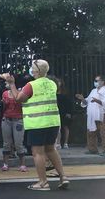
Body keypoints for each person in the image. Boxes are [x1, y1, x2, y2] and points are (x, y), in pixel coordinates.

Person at [5, 60, 69, 190]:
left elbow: (18, 98)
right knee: (51, 149)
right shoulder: (52, 84)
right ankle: (63, 177)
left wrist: (12, 84)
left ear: (37, 71)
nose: (31, 70)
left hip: (38, 122)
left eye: (32, 68)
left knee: (37, 153)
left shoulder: (31, 85)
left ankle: (43, 182)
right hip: (53, 122)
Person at [0, 75, 28, 172]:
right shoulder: (4, 94)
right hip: (7, 119)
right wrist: (3, 104)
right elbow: (3, 108)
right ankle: (5, 163)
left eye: (8, 82)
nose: (6, 84)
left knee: (18, 143)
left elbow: (23, 104)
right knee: (6, 143)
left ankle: (23, 164)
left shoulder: (20, 93)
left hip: (18, 119)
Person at [75, 75, 105, 154]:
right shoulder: (93, 91)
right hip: (91, 114)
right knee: (91, 132)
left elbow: (103, 102)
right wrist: (82, 99)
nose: (95, 82)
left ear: (102, 82)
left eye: (97, 80)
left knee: (103, 132)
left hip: (101, 114)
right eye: (95, 80)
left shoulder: (104, 90)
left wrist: (97, 101)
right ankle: (92, 149)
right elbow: (86, 102)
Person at [56, 78, 73, 149]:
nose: (58, 83)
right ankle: (58, 143)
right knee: (58, 127)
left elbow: (69, 103)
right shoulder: (53, 92)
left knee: (65, 127)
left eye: (59, 82)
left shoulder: (65, 92)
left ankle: (66, 143)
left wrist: (69, 112)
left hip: (64, 112)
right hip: (56, 111)